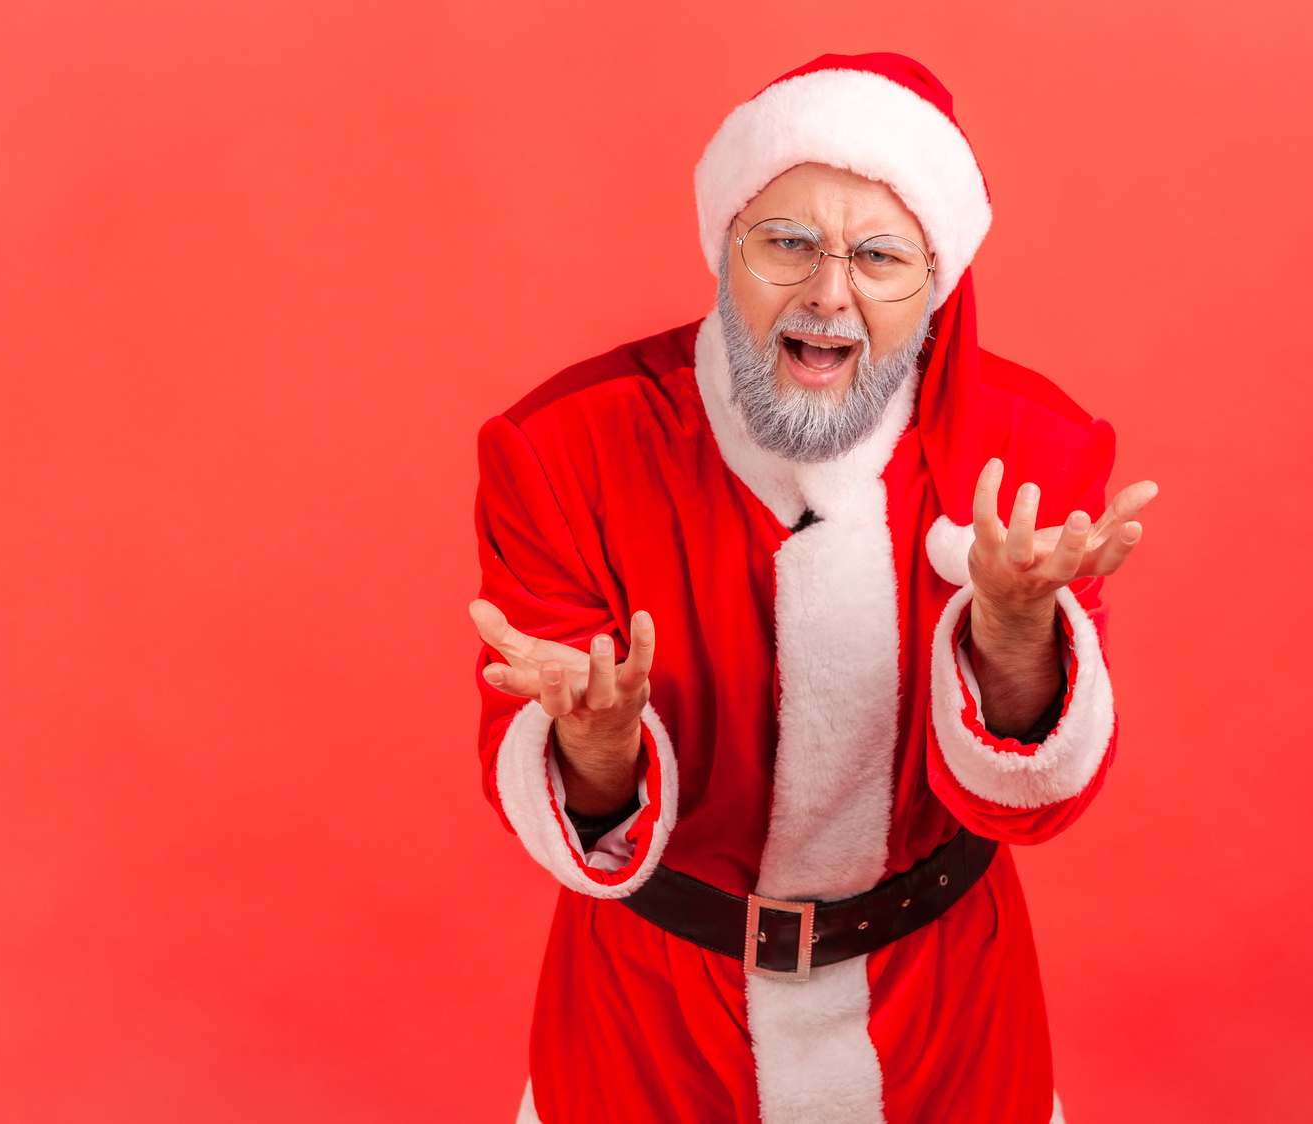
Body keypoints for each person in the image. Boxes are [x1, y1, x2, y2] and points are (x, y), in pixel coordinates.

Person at [469, 52, 1156, 1124]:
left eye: (878, 256)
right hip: (651, 1020)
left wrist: (1016, 630)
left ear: (933, 290)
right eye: (786, 242)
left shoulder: (1031, 452)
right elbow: (552, 779)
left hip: (943, 1013)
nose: (828, 293)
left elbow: (1034, 799)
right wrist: (593, 751)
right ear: (722, 251)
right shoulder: (564, 449)